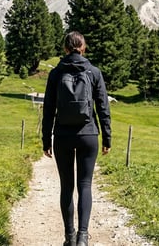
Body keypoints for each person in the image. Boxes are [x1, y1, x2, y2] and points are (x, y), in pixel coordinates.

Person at [42, 31, 111, 246]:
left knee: (66, 186)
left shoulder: (55, 74)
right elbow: (103, 108)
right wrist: (107, 138)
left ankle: (69, 237)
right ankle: (83, 237)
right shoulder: (94, 72)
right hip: (88, 135)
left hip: (62, 136)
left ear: (65, 48)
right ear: (84, 47)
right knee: (85, 185)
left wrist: (46, 140)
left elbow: (48, 110)